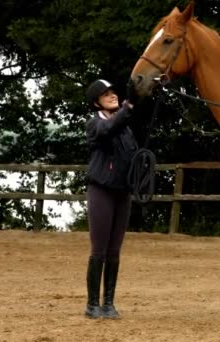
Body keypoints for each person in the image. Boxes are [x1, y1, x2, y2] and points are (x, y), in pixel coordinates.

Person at [83, 79, 138, 319]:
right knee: (99, 250)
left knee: (114, 250)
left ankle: (109, 303)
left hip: (122, 192)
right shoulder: (95, 124)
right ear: (97, 102)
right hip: (101, 191)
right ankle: (92, 304)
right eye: (106, 94)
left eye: (113, 92)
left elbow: (132, 153)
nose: (112, 95)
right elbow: (109, 130)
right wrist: (127, 108)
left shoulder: (125, 128)